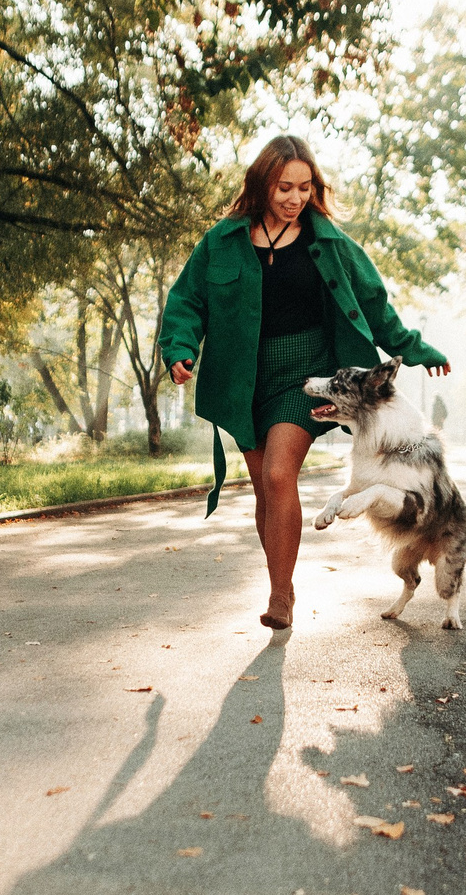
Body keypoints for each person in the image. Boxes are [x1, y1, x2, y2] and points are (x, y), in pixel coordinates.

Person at [158, 135, 450, 630]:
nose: (295, 198)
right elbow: (187, 300)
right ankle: (282, 581)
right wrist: (180, 348)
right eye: (284, 188)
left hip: (305, 373)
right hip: (245, 378)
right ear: (262, 185)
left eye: (304, 187)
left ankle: (279, 596)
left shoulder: (330, 243)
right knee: (265, 492)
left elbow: (373, 304)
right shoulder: (222, 241)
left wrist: (415, 348)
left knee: (279, 475)